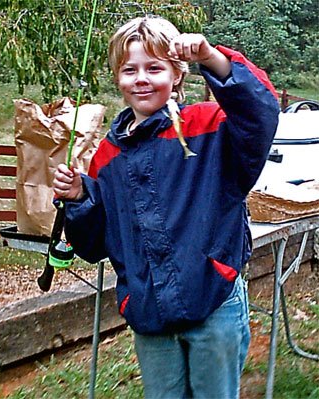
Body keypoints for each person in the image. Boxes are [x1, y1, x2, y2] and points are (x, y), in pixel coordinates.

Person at [53, 16, 279, 399]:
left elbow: (260, 113)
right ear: (117, 78)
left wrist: (214, 60)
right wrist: (79, 199)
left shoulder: (210, 125)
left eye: (154, 68)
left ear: (177, 75)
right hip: (149, 314)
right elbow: (93, 246)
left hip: (214, 303)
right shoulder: (106, 157)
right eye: (130, 70)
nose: (141, 78)